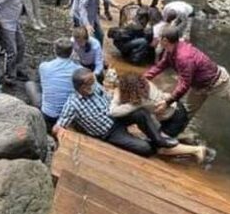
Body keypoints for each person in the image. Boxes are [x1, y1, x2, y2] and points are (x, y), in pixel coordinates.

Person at [54, 69, 215, 162]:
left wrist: (115, 96)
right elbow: (59, 125)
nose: (93, 85)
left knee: (141, 113)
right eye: (88, 84)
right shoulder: (73, 103)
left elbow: (110, 100)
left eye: (93, 81)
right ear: (79, 87)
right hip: (109, 132)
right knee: (145, 149)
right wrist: (59, 132)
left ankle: (160, 140)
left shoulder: (96, 87)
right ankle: (161, 142)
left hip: (118, 117)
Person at [110, 73, 194, 140]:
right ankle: (184, 136)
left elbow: (113, 112)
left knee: (161, 149)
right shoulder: (145, 83)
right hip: (176, 106)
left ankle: (198, 149)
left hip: (175, 120)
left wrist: (116, 96)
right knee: (166, 136)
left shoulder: (140, 101)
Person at [38, 38, 80, 131]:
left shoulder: (44, 66)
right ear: (72, 52)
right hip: (68, 116)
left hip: (48, 114)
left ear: (55, 51)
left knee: (31, 85)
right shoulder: (78, 70)